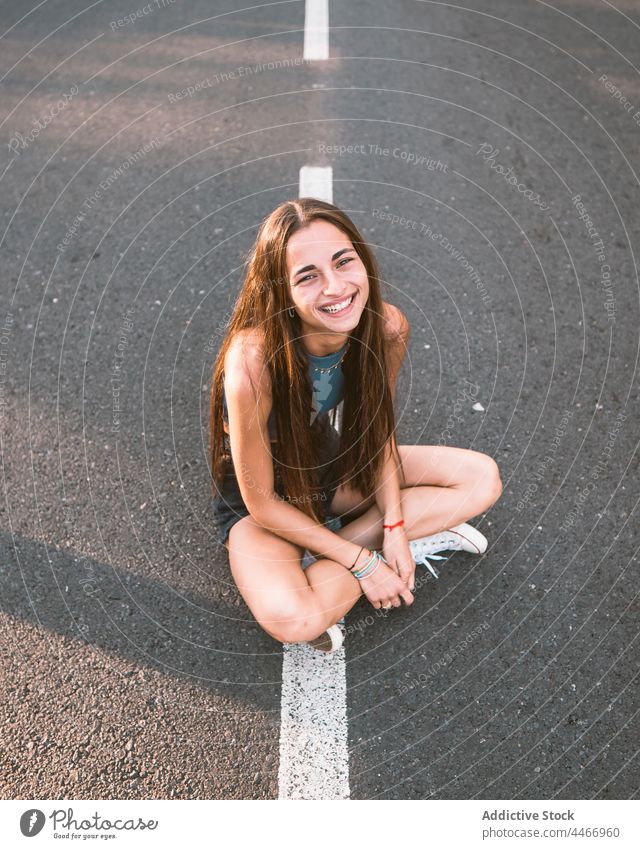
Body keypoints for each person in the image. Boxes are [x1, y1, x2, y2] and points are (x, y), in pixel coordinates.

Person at [209, 198, 502, 652]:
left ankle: (345, 553)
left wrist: (397, 529)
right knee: (295, 619)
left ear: (362, 260)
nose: (335, 286)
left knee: (481, 478)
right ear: (280, 291)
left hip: (332, 467)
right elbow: (261, 500)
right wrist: (365, 565)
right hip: (267, 501)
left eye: (343, 261)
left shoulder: (385, 328)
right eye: (308, 276)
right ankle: (344, 557)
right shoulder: (252, 361)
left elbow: (375, 430)